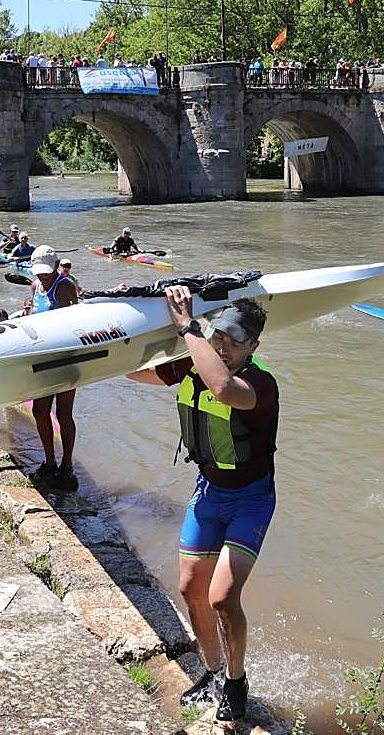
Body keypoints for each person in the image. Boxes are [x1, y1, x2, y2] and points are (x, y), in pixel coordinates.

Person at [125, 296, 276, 723]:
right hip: (208, 494)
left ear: (253, 347)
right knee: (192, 590)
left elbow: (223, 389)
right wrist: (124, 326)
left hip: (250, 501)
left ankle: (235, 681)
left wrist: (188, 327)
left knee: (222, 598)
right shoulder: (192, 365)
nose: (223, 347)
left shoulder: (261, 385)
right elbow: (133, 372)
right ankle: (212, 673)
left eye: (235, 342)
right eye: (218, 336)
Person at [23, 246, 80, 490]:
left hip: (66, 358)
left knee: (64, 413)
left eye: (46, 272)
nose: (43, 276)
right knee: (40, 410)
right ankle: (49, 461)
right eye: (39, 272)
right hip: (41, 358)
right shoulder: (35, 286)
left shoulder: (65, 286)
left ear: (56, 266)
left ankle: (67, 465)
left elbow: (75, 322)